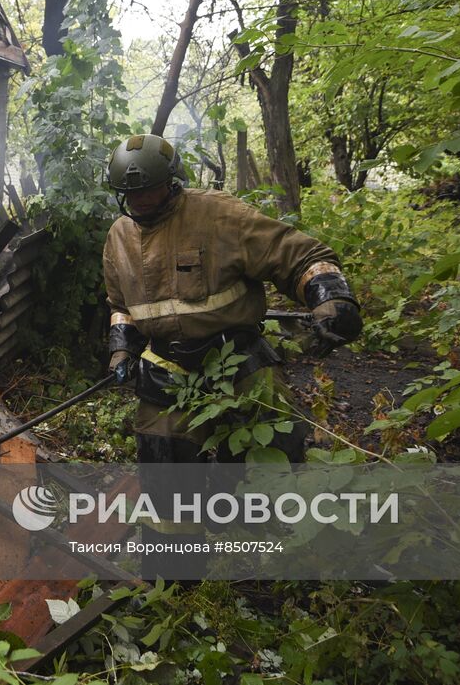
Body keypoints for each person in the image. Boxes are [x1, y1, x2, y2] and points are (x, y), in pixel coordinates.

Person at [102, 134, 362, 466]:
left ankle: (252, 518)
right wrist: (121, 348)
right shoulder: (118, 237)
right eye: (130, 194)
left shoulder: (220, 215)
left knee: (270, 452)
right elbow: (121, 305)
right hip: (165, 364)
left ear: (171, 182)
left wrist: (332, 297)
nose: (139, 201)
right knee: (163, 463)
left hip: (237, 358)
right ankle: (180, 519)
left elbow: (298, 255)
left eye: (148, 190)